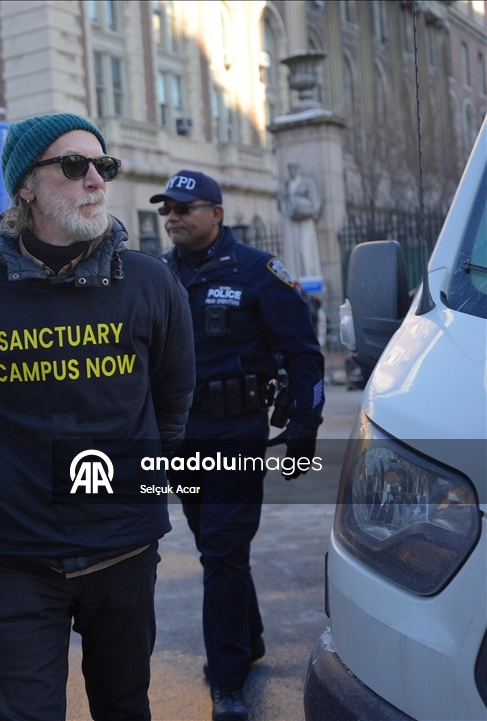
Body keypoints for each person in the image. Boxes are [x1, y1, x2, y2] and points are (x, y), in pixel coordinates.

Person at [0, 113, 196, 719]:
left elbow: (173, 397)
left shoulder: (152, 282)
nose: (95, 180)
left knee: (125, 704)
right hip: (19, 555)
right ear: (26, 186)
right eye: (74, 166)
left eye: (104, 166)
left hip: (124, 547)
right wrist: (7, 471)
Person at [154, 169, 324, 721]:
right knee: (215, 547)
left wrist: (304, 428)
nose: (173, 218)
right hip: (181, 437)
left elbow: (304, 353)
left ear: (217, 214)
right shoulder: (157, 276)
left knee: (224, 552)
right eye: (167, 210)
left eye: (184, 208)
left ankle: (227, 680)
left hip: (236, 434)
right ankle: (246, 640)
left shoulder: (257, 271)